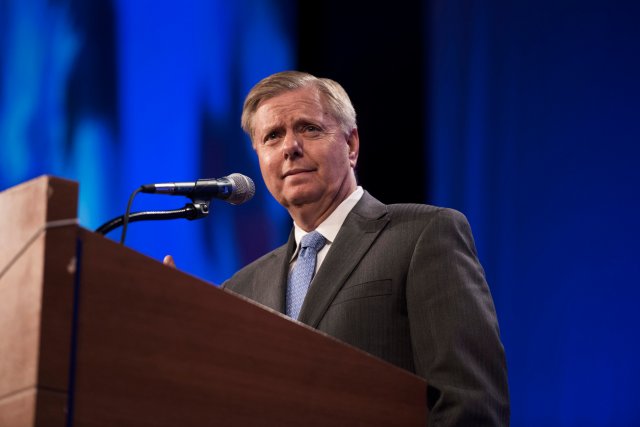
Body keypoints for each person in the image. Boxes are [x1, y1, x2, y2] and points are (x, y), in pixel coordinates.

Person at [175, 71, 510, 425]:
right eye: (273, 136)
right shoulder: (240, 289)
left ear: (351, 145)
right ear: (259, 159)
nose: (290, 146)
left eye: (308, 128)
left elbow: (471, 404)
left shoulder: (422, 236)